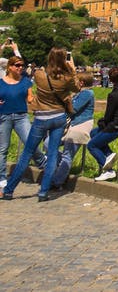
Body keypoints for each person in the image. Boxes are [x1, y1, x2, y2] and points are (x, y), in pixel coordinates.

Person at [2, 47, 76, 201]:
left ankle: (9, 190)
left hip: (41, 117)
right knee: (52, 154)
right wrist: (71, 70)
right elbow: (77, 87)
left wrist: (17, 51)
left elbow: (26, 71)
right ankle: (43, 192)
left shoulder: (39, 75)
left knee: (26, 154)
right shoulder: (66, 78)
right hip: (59, 117)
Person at [0, 51, 48, 191]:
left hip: (21, 116)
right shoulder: (1, 83)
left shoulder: (25, 82)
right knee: (3, 148)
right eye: (17, 65)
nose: (20, 68)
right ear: (9, 67)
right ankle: (2, 177)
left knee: (30, 141)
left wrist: (43, 99)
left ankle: (42, 163)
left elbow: (29, 98)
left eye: (21, 65)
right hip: (4, 116)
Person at [51, 69, 96, 189]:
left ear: (81, 82)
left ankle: (57, 182)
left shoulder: (87, 94)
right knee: (48, 144)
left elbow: (73, 109)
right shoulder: (78, 93)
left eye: (75, 81)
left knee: (67, 155)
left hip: (79, 126)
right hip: (69, 125)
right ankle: (62, 170)